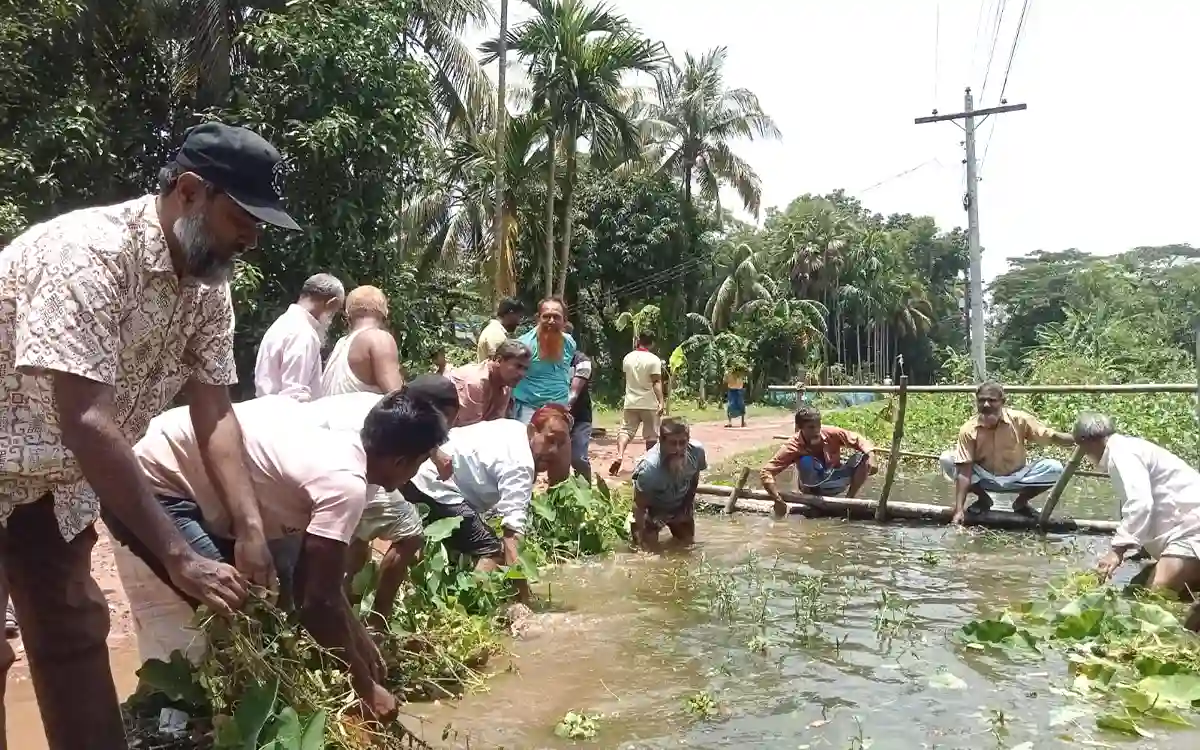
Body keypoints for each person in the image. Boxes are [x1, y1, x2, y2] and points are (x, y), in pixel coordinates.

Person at [0, 122, 296, 749]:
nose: (252, 237)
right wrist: (178, 555)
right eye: (241, 217)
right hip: (19, 457)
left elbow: (214, 410)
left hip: (55, 486)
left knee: (73, 632)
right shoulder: (85, 255)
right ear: (189, 192)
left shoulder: (208, 287)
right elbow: (86, 420)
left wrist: (249, 530)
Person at [120, 390, 443, 720]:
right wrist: (365, 687)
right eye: (419, 463)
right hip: (152, 479)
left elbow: (314, 581)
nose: (415, 473)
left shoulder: (348, 453)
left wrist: (357, 636)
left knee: (267, 605)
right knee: (242, 612)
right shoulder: (345, 483)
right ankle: (168, 713)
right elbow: (316, 604)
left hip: (187, 458)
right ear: (400, 462)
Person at [398, 401, 573, 609]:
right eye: (550, 440)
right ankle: (470, 606)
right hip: (436, 484)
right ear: (532, 431)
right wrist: (525, 599)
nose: (553, 451)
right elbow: (512, 536)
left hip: (418, 470)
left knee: (440, 542)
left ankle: (417, 593)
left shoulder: (515, 428)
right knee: (492, 550)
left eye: (560, 444)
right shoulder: (521, 464)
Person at [1073, 412, 1200, 597]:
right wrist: (1135, 547)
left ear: (1086, 443)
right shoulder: (1128, 448)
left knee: (1153, 596)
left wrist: (1117, 551)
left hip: (1191, 533)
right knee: (1135, 590)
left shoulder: (1121, 453)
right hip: (1185, 530)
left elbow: (1140, 504)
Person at [939, 381, 1075, 524]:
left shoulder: (1020, 420)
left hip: (1018, 477)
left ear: (1003, 402)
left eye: (992, 400)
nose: (986, 405)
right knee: (947, 459)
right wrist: (959, 510)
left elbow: (1050, 436)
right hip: (984, 478)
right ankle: (984, 499)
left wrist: (1076, 439)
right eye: (981, 400)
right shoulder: (968, 429)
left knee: (1055, 468)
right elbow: (964, 471)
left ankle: (1021, 502)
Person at [760, 406, 877, 517]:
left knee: (864, 456)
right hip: (812, 485)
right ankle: (811, 498)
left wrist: (871, 457)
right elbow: (766, 472)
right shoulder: (793, 446)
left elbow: (859, 440)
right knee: (806, 460)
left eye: (818, 426)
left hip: (835, 480)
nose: (816, 431)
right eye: (811, 427)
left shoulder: (832, 433)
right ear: (800, 428)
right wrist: (777, 499)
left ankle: (849, 500)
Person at [254, 273, 346, 401]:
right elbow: (294, 395)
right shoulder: (304, 333)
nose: (331, 319)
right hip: (283, 412)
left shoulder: (284, 323)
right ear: (331, 303)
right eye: (334, 312)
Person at [631, 418, 706, 551]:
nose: (678, 449)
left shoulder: (696, 452)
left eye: (682, 443)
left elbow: (694, 480)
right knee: (649, 555)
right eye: (672, 443)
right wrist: (643, 538)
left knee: (688, 547)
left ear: (688, 440)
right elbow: (639, 506)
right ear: (661, 441)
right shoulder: (650, 469)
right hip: (652, 513)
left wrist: (686, 508)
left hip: (679, 506)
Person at [320, 285, 404, 397]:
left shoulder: (339, 346)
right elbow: (398, 397)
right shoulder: (379, 338)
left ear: (348, 316)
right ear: (385, 314)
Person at [510, 297, 576, 423]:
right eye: (546, 316)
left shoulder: (569, 343)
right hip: (529, 410)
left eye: (556, 317)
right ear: (538, 318)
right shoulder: (523, 345)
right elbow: (510, 380)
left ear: (564, 320)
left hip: (559, 410)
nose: (551, 321)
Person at [608, 332, 664, 476]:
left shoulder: (628, 358)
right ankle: (650, 465)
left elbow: (627, 379)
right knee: (651, 435)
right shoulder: (654, 360)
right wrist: (661, 402)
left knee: (626, 431)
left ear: (639, 341)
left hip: (631, 402)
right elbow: (656, 382)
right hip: (649, 402)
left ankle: (620, 455)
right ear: (652, 343)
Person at [447, 339, 532, 427]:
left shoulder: (506, 386)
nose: (522, 374)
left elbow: (496, 423)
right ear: (499, 360)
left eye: (525, 369)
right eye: (518, 366)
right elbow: (468, 429)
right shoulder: (475, 382)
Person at [565, 324, 594, 483]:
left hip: (580, 417)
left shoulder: (582, 361)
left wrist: (563, 409)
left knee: (578, 458)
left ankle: (585, 489)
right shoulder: (547, 361)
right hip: (557, 416)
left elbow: (574, 393)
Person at [477, 297, 525, 361]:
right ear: (510, 314)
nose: (519, 322)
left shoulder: (494, 330)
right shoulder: (496, 334)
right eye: (519, 317)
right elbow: (497, 364)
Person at [725, 362, 748, 428]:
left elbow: (746, 377)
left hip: (739, 390)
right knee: (730, 405)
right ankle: (729, 422)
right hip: (731, 390)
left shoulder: (741, 374)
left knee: (741, 405)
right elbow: (725, 382)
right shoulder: (728, 373)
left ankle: (742, 422)